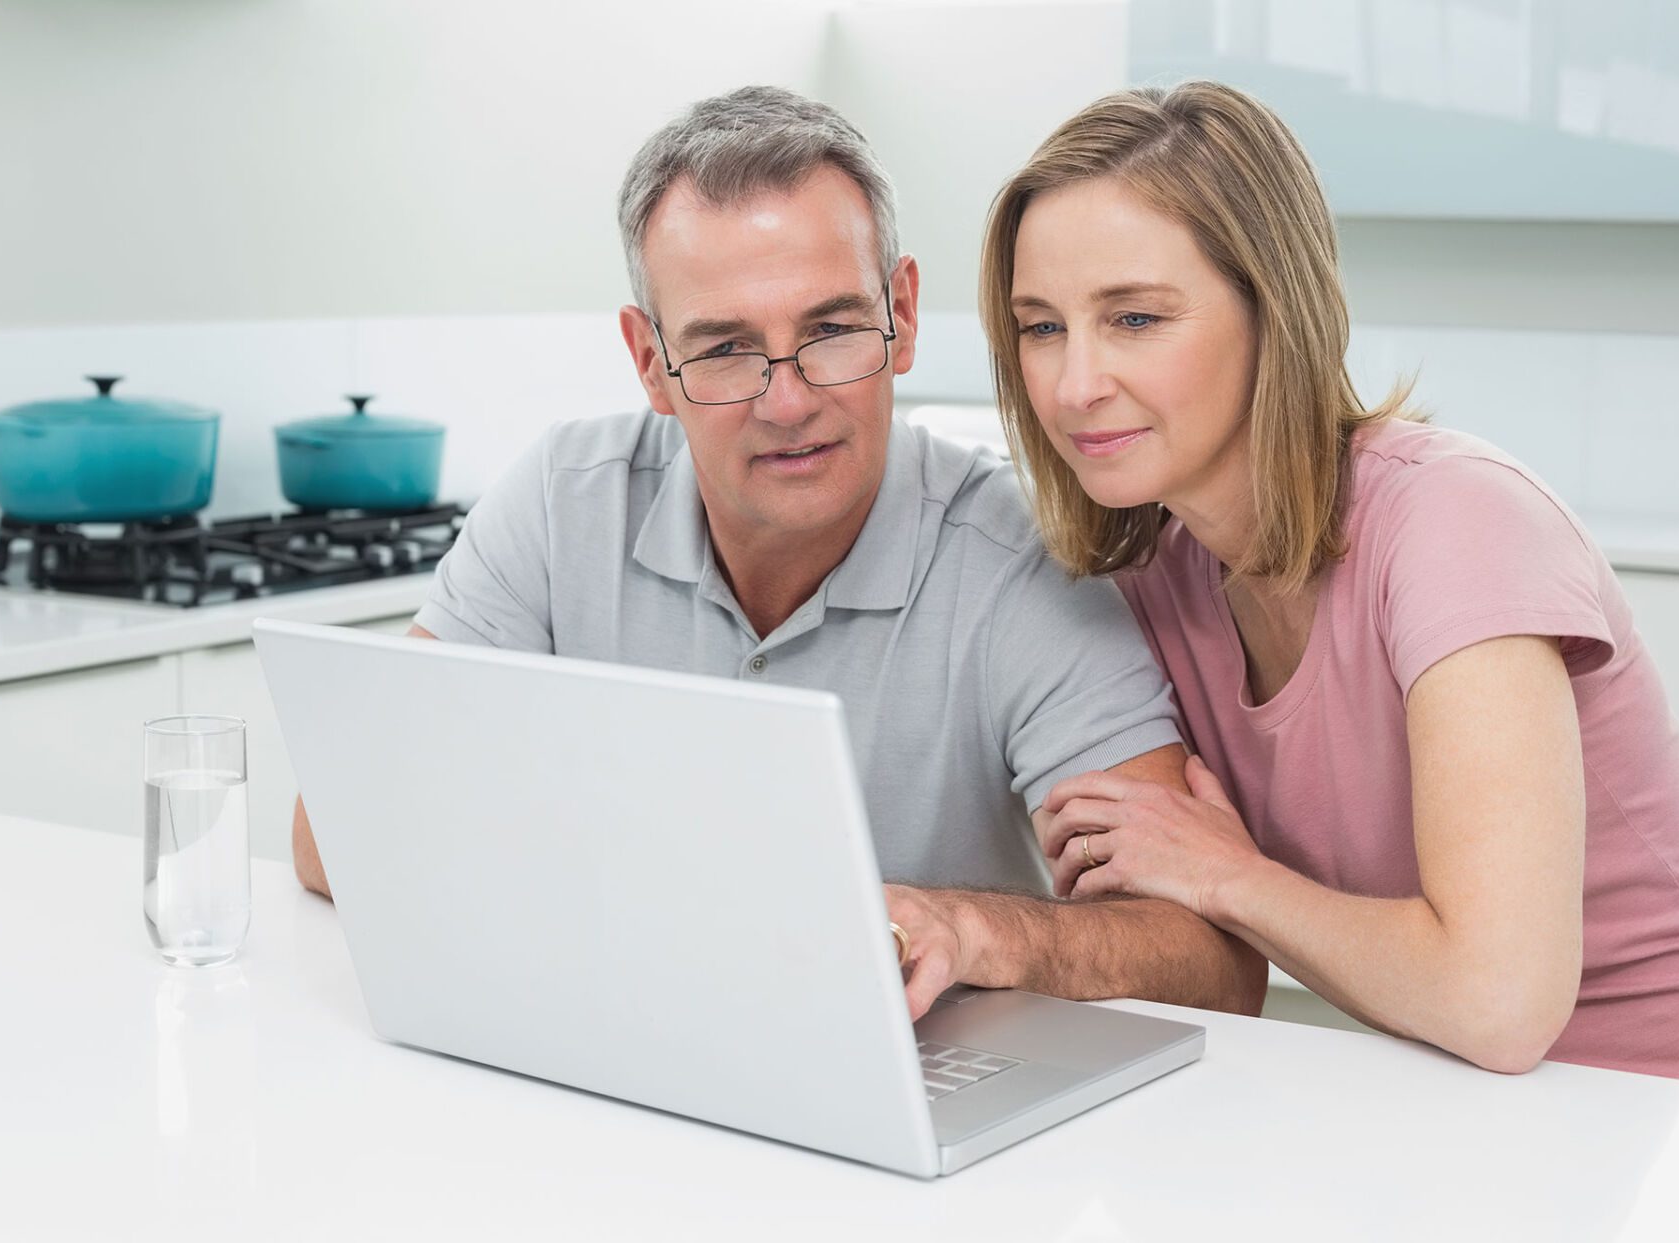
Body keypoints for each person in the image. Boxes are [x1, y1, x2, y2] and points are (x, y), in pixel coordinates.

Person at [291, 85, 1266, 1020]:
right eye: (723, 350)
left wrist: (971, 929)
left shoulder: (1021, 567)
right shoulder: (560, 504)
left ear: (903, 316)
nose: (788, 400)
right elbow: (330, 830)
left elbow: (1210, 963)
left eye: (833, 330)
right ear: (649, 363)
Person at [984, 81, 1679, 1086]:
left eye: (1133, 318)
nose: (1072, 382)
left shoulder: (1454, 523)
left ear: (1275, 309)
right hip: (1479, 1113)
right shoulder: (1153, 586)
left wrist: (1228, 876)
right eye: (1039, 326)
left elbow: (1498, 1002)